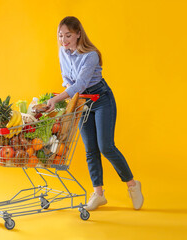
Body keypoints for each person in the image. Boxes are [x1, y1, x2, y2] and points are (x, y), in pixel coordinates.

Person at [46, 16, 144, 210]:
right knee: (90, 148)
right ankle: (98, 194)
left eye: (68, 35)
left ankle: (132, 185)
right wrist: (69, 99)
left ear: (78, 35)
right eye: (60, 36)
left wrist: (56, 99)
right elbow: (67, 78)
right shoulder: (62, 52)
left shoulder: (90, 55)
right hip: (82, 102)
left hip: (101, 99)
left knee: (106, 146)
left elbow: (81, 83)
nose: (63, 40)